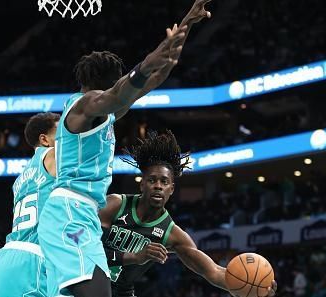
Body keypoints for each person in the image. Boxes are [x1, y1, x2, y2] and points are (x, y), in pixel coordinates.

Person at [37, 1, 213, 296]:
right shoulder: (84, 105)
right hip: (70, 209)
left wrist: (186, 24)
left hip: (83, 213)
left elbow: (150, 82)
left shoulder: (103, 117)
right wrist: (149, 60)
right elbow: (123, 90)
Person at [99, 130, 278, 297]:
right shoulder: (116, 204)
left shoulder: (173, 235)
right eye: (152, 180)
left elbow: (213, 272)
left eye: (164, 181)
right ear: (142, 184)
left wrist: (254, 288)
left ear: (171, 188)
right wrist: (134, 257)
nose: (158, 186)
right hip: (85, 279)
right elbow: (82, 247)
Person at [0, 112, 60, 297]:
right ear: (44, 139)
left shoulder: (20, 179)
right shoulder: (53, 154)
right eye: (62, 132)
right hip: (32, 260)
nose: (68, 135)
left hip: (4, 260)